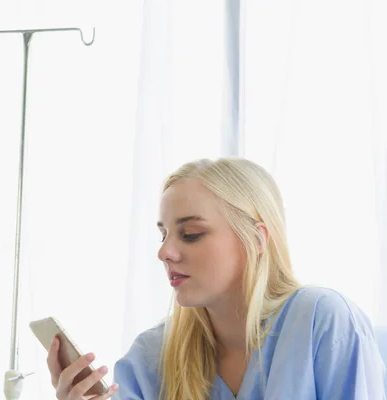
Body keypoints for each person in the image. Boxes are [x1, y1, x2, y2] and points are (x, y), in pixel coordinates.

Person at [46, 157, 386, 400]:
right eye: (163, 235)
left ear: (255, 240)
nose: (165, 252)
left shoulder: (321, 321)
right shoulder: (152, 356)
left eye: (190, 234)